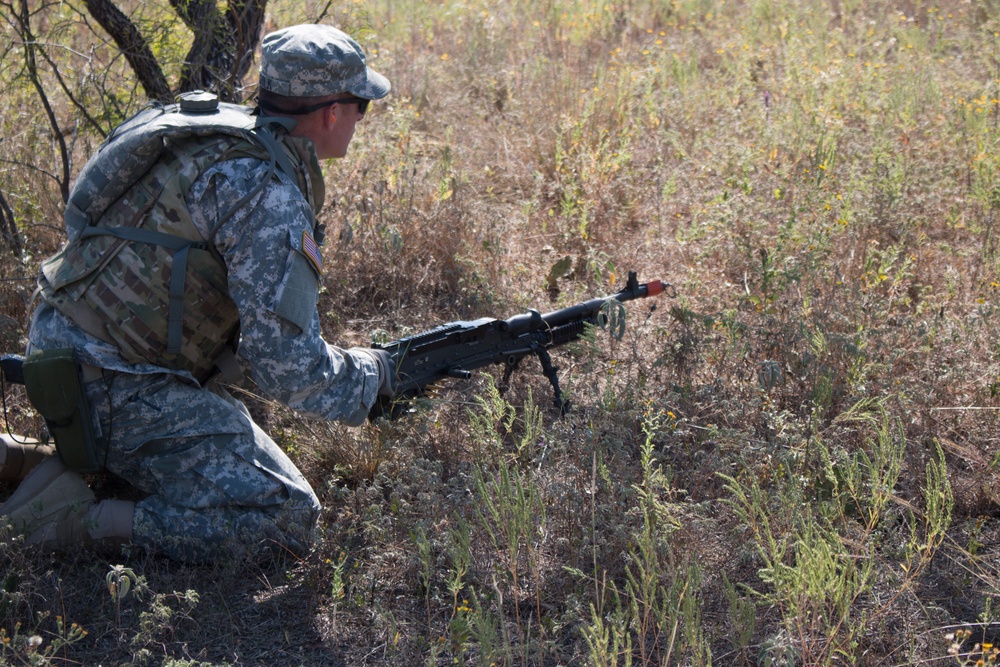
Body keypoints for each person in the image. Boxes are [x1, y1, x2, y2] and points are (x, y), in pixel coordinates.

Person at [0, 24, 394, 563]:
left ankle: (35, 459)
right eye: (360, 108)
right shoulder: (266, 196)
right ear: (331, 112)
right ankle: (84, 519)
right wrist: (373, 378)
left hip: (63, 352)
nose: (358, 120)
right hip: (112, 386)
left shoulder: (216, 137)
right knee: (289, 516)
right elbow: (287, 368)